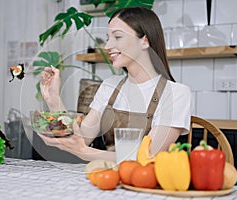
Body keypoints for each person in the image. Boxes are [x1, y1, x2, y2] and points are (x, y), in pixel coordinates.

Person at [38, 7, 193, 162]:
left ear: (144, 41)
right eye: (108, 38)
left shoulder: (176, 93)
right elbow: (81, 139)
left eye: (117, 37)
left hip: (142, 182)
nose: (107, 46)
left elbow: (149, 155)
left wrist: (85, 152)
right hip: (107, 177)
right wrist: (54, 100)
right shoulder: (109, 86)